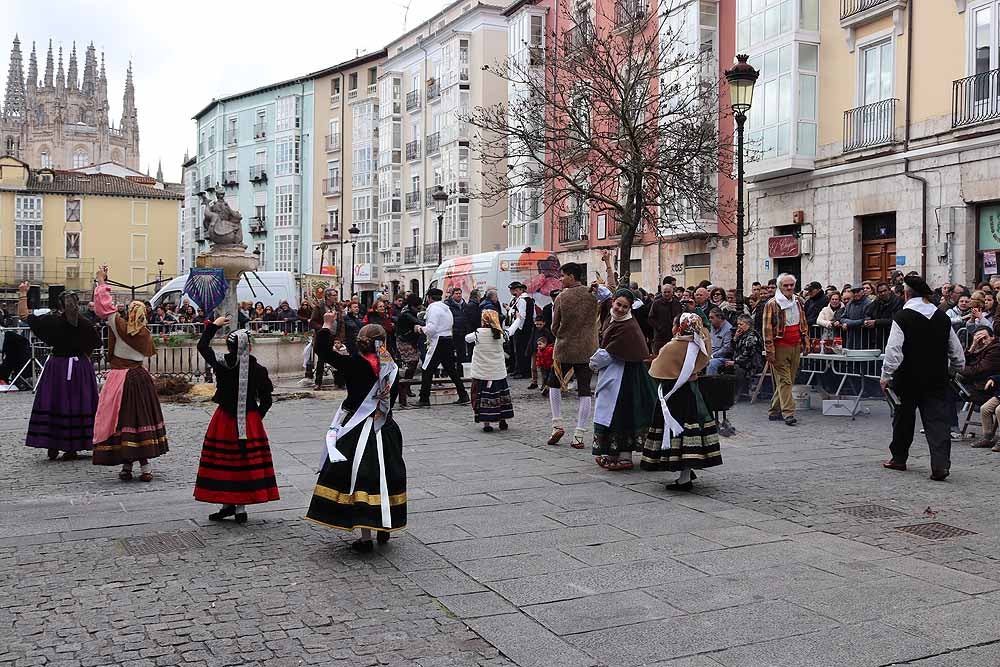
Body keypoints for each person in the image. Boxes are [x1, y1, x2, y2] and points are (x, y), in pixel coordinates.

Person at [305, 321, 405, 552]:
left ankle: (365, 536)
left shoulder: (352, 364)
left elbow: (321, 350)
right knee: (385, 475)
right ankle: (384, 527)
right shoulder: (392, 367)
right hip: (385, 428)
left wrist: (328, 326)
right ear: (383, 342)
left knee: (359, 478)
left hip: (357, 429)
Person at [194, 316, 280, 522]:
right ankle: (237, 508)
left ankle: (230, 505)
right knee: (244, 462)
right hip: (249, 419)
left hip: (224, 419)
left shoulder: (223, 364)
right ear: (248, 347)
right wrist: (257, 417)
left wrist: (214, 326)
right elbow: (267, 399)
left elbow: (202, 346)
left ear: (230, 347)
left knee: (226, 462)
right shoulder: (258, 370)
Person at [881, 275, 965, 481]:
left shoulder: (902, 317)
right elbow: (956, 351)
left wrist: (886, 375)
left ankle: (899, 459)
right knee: (938, 422)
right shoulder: (942, 318)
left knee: (903, 419)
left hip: (907, 378)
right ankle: (940, 465)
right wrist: (956, 369)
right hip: (936, 378)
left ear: (907, 293)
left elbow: (893, 351)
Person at [91, 267, 168, 481]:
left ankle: (127, 465)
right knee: (140, 418)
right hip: (139, 377)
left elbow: (104, 307)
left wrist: (101, 281)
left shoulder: (119, 327)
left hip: (120, 378)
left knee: (121, 419)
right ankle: (145, 467)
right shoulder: (145, 334)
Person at [17, 281, 100, 460]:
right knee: (78, 403)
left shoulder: (51, 321)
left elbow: (24, 315)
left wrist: (23, 293)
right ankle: (73, 446)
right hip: (80, 367)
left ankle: (53, 444)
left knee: (55, 402)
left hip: (58, 366)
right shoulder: (85, 323)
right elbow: (93, 345)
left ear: (59, 305)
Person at [640, 313, 721, 489]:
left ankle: (684, 478)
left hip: (674, 395)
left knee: (678, 432)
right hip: (693, 392)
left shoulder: (673, 347)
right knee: (692, 430)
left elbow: (656, 371)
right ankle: (687, 470)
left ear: (678, 327)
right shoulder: (699, 344)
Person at [546, 263, 612, 448]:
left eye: (563, 276)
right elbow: (610, 295)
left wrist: (561, 333)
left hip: (565, 348)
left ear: (572, 277)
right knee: (585, 391)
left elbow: (554, 327)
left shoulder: (562, 297)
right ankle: (579, 434)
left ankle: (557, 423)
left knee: (554, 384)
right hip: (588, 349)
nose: (561, 279)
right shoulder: (593, 294)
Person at [590, 289, 656, 471]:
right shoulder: (610, 316)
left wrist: (593, 362)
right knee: (611, 412)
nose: (620, 309)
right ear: (613, 302)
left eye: (625, 307)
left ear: (630, 309)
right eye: (618, 304)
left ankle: (625, 456)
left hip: (628, 376)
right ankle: (611, 452)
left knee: (624, 412)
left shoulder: (628, 326)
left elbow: (611, 352)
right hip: (613, 372)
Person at [763, 273, 810, 426]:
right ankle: (788, 413)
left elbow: (803, 323)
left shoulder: (799, 301)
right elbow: (767, 329)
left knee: (788, 380)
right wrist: (770, 350)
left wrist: (806, 342)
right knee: (785, 380)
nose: (789, 288)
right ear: (779, 287)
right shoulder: (772, 303)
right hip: (780, 346)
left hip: (795, 345)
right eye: (785, 285)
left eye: (791, 285)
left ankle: (774, 410)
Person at [416, 288, 470, 406]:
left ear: (429, 298)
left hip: (438, 341)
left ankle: (424, 398)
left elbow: (431, 329)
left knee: (427, 369)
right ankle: (463, 394)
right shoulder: (446, 309)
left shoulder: (433, 309)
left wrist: (420, 329)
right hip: (448, 339)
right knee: (451, 370)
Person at [465, 310, 514, 432]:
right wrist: (518, 319)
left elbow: (467, 339)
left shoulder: (477, 333)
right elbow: (511, 331)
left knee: (484, 398)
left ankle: (487, 424)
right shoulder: (500, 334)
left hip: (483, 373)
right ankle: (503, 420)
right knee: (501, 397)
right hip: (497, 372)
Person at [310, 288, 344, 389]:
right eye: (334, 295)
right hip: (324, 337)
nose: (335, 297)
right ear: (328, 296)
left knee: (337, 358)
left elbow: (341, 321)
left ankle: (339, 382)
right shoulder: (319, 307)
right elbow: (312, 322)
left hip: (334, 336)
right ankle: (318, 382)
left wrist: (340, 336)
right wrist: (323, 328)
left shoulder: (337, 307)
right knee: (321, 359)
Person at [726, 313, 764, 395]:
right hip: (742, 362)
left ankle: (740, 394)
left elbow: (748, 354)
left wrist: (735, 361)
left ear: (748, 325)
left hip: (752, 364)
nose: (739, 326)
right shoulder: (741, 335)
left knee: (737, 369)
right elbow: (732, 350)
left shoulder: (752, 336)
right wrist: (735, 338)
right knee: (724, 367)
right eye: (738, 324)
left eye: (741, 324)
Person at [395, 295, 424, 393]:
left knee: (413, 363)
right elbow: (417, 321)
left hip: (410, 340)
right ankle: (405, 386)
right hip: (404, 340)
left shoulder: (409, 312)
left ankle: (406, 386)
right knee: (412, 362)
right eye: (418, 308)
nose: (419, 310)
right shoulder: (407, 314)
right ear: (413, 306)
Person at [506, 281, 533, 378]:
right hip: (521, 328)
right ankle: (519, 369)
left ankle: (523, 371)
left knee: (521, 350)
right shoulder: (519, 299)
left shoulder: (522, 300)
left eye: (515, 290)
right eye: (512, 290)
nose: (513, 292)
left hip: (522, 329)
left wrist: (519, 328)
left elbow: (522, 316)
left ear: (520, 290)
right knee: (518, 351)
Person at [649, 283, 684, 355]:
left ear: (672, 292)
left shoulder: (677, 304)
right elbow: (651, 318)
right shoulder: (656, 303)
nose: (666, 294)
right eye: (664, 292)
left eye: (668, 292)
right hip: (660, 338)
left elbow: (681, 317)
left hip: (674, 337)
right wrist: (659, 327)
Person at [527, 316, 553, 389]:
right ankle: (534, 381)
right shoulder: (534, 330)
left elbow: (550, 342)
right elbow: (531, 340)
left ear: (544, 323)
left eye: (540, 324)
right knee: (533, 367)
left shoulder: (546, 332)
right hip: (535, 351)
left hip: (544, 353)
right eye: (537, 324)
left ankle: (544, 383)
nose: (538, 326)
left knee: (543, 370)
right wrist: (529, 349)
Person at [445, 288, 469, 365]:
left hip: (462, 332)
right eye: (456, 293)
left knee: (462, 352)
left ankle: (461, 370)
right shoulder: (448, 305)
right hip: (452, 332)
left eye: (460, 293)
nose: (458, 295)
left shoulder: (464, 304)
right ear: (452, 295)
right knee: (450, 353)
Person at [706, 307, 733, 375]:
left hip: (723, 357)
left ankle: (711, 382)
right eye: (709, 317)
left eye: (712, 318)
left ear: (720, 317)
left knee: (712, 363)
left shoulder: (728, 329)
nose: (710, 320)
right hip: (710, 354)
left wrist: (712, 355)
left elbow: (726, 348)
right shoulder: (712, 327)